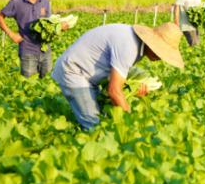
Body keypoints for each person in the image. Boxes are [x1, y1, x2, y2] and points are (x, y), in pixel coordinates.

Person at [51, 22, 184, 131]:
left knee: (104, 117)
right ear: (152, 44)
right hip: (73, 71)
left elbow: (116, 82)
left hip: (88, 76)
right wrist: (130, 125)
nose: (161, 58)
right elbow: (113, 91)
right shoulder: (129, 47)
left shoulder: (135, 43)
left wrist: (132, 91)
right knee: (95, 126)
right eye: (161, 52)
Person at [0, 0, 66, 78]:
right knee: (29, 84)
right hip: (27, 52)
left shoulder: (45, 1)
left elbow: (48, 25)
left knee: (48, 83)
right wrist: (11, 34)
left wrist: (60, 27)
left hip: (45, 51)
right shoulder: (16, 2)